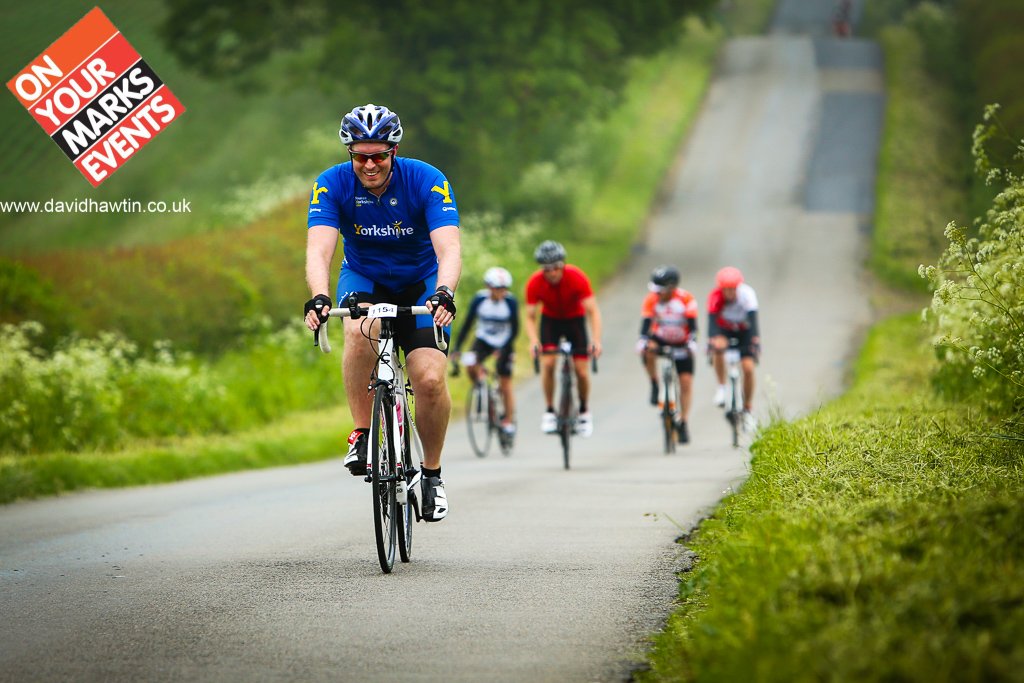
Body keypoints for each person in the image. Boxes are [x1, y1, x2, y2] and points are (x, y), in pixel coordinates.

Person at [303, 103, 461, 523]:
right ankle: (364, 432)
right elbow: (319, 249)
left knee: (428, 379)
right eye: (360, 156)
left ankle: (431, 474)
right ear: (349, 154)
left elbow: (449, 247)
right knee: (359, 330)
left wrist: (444, 292)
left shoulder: (427, 179)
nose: (369, 165)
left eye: (378, 155)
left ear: (394, 150)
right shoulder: (331, 184)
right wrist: (319, 297)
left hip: (421, 281)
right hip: (364, 279)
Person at [524, 240, 603, 437]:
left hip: (574, 321)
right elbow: (530, 317)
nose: (552, 273)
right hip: (551, 321)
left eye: (556, 268)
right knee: (549, 363)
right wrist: (534, 340)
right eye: (547, 269)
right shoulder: (535, 282)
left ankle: (584, 410)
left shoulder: (576, 277)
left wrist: (596, 340)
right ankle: (550, 410)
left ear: (563, 265)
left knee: (582, 372)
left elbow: (593, 312)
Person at [451, 266, 520, 437]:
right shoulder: (479, 300)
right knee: (469, 365)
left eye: (504, 289)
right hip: (483, 340)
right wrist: (457, 348)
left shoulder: (510, 302)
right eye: (497, 288)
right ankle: (481, 386)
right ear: (489, 286)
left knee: (505, 383)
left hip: (505, 342)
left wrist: (504, 350)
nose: (501, 292)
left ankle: (508, 421)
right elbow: (467, 325)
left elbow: (515, 329)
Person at [637, 265, 698, 444]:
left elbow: (693, 325)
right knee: (648, 348)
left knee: (685, 382)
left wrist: (692, 342)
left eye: (661, 290)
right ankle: (654, 383)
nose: (657, 294)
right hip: (661, 338)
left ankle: (683, 422)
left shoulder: (686, 299)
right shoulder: (651, 299)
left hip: (682, 341)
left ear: (671, 288)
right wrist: (642, 340)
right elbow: (646, 322)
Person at [707, 266, 759, 432]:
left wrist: (754, 341)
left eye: (732, 289)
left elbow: (753, 322)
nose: (729, 293)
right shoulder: (715, 297)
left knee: (748, 368)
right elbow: (712, 324)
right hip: (725, 330)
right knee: (717, 348)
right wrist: (715, 339)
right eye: (725, 290)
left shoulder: (747, 295)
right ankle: (722, 388)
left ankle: (748, 409)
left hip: (744, 330)